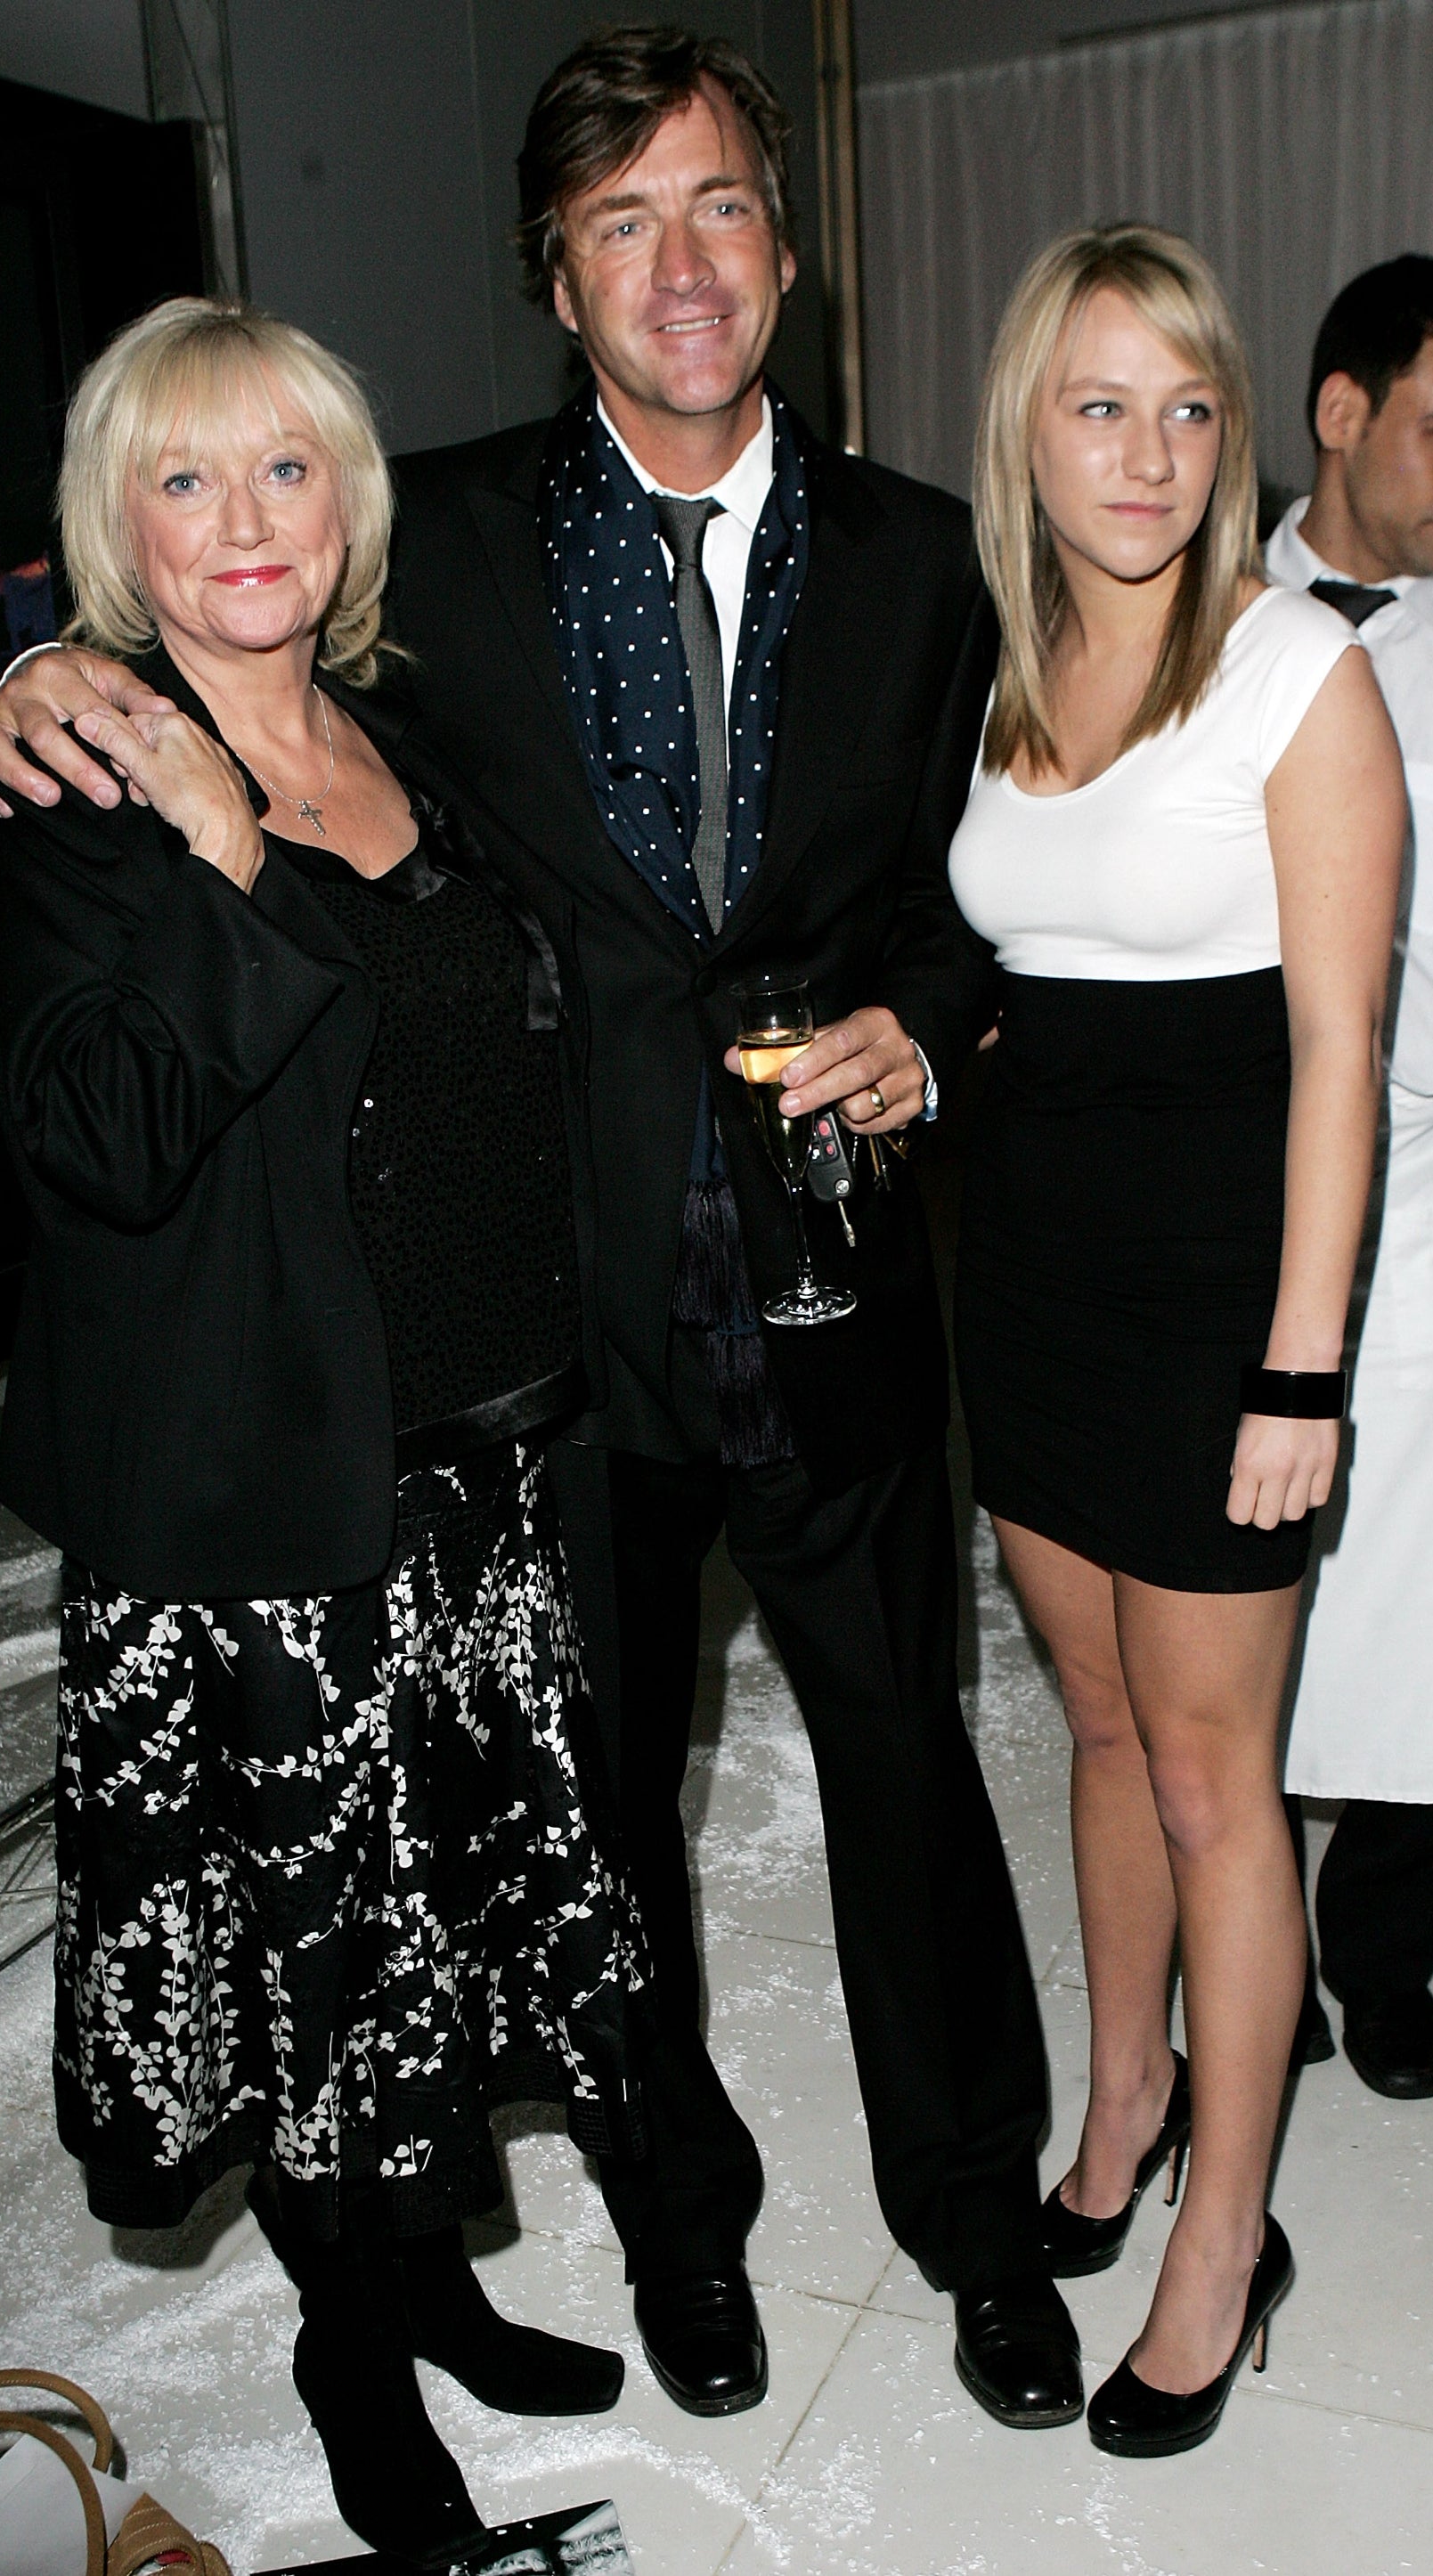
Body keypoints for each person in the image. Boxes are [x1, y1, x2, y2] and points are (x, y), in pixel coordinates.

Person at [0, 29, 1079, 2433]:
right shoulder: (424, 545)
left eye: (725, 212)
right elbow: (215, 635)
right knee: (595, 1803)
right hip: (553, 1331)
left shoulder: (918, 556)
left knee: (907, 1768)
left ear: (787, 250)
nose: (686, 267)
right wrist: (52, 670)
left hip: (834, 1279)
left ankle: (975, 2220)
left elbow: (984, 886)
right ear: (552, 274)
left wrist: (921, 1004)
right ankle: (689, 2228)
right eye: (623, 222)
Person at [0, 296, 647, 2569]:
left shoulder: (403, 740)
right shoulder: (71, 792)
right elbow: (104, 1143)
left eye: (284, 467)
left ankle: (431, 2292)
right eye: (184, 476)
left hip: (464, 1468)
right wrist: (228, 868)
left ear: (344, 501)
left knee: (433, 1938)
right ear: (119, 529)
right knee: (325, 1972)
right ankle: (355, 2366)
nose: (242, 518)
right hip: (260, 1510)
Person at [948, 224, 1404, 2456]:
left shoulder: (1297, 673)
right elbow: (1003, 988)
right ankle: (1120, 2104)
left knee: (1225, 1786)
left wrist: (1300, 1370)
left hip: (1222, 1308)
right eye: (1097, 404)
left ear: (1235, 435)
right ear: (1027, 428)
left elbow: (1341, 1051)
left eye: (1185, 406)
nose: (1144, 452)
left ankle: (1229, 2226)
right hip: (1023, 1289)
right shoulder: (1012, 663)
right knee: (1105, 1735)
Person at [1266, 257, 1433, 2106]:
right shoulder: (1196, 610)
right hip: (1238, 1165)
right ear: (1339, 409)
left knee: (1411, 1566)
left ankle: (1387, 1939)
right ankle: (1252, 1953)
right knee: (1241, 1570)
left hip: (1431, 1162)